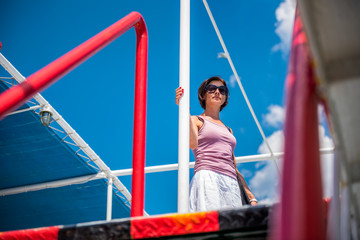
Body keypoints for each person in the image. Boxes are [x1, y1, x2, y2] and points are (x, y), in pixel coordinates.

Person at [175, 76, 257, 212]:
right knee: (210, 223)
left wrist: (251, 196)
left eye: (222, 90)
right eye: (212, 89)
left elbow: (233, 166)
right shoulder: (196, 120)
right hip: (208, 178)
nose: (217, 92)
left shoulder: (228, 130)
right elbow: (192, 144)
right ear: (203, 95)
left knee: (231, 227)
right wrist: (184, 110)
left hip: (231, 183)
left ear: (225, 98)